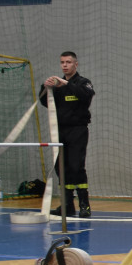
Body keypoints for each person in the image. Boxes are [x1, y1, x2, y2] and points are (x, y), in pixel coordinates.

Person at [39, 51, 95, 217]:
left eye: (68, 62)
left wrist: (66, 84)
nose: (65, 65)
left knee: (76, 167)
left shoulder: (83, 82)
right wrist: (46, 87)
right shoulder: (57, 85)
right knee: (61, 168)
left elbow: (86, 96)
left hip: (77, 130)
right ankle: (67, 206)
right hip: (60, 131)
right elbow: (45, 102)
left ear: (75, 64)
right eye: (62, 62)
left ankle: (84, 205)